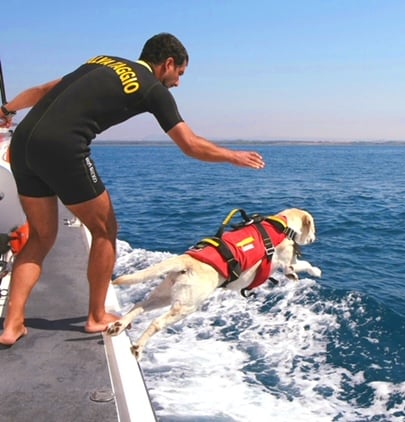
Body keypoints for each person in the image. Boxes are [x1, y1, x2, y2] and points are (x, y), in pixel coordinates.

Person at [0, 33, 265, 346]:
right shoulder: (153, 89)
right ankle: (96, 316)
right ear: (167, 63)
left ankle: (12, 324)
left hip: (23, 142)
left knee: (42, 237)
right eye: (179, 74)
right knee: (105, 229)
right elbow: (190, 145)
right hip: (63, 148)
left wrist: (7, 110)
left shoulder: (102, 60)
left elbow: (45, 90)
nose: (178, 83)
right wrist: (234, 156)